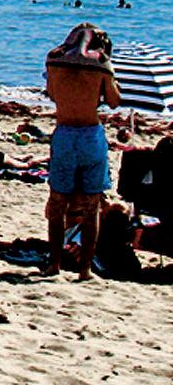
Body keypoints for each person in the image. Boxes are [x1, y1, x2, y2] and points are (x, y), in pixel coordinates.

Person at [43, 23, 122, 281]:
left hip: (64, 132)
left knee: (58, 203)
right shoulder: (100, 64)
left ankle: (54, 263)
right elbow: (113, 101)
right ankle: (85, 269)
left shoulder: (55, 61)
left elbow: (52, 94)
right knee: (91, 206)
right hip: (89, 133)